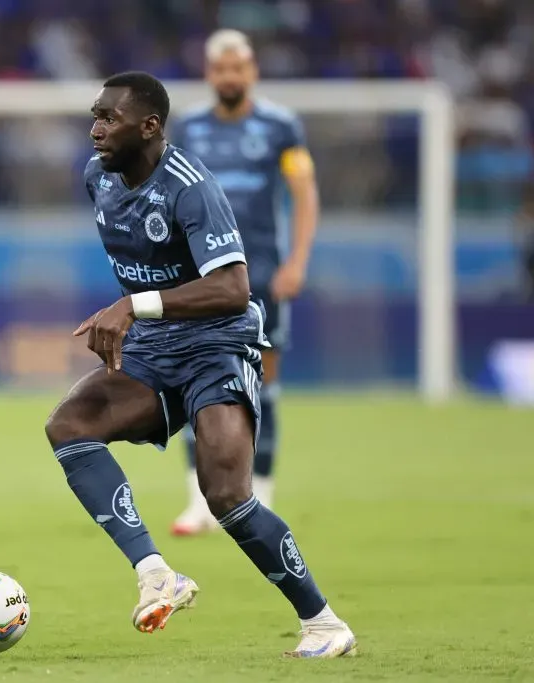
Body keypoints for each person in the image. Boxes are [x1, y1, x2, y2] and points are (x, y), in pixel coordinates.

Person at [44, 70, 355, 657]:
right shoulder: (99, 179)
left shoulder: (190, 187)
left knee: (226, 498)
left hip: (217, 347)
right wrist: (138, 317)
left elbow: (234, 288)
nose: (95, 130)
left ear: (150, 126)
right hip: (156, 352)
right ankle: (156, 574)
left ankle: (323, 622)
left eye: (108, 119)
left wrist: (133, 305)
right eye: (95, 116)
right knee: (69, 426)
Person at [171, 30, 320, 536]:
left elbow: (303, 194)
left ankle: (263, 498)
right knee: (195, 385)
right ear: (210, 74)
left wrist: (296, 260)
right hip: (204, 280)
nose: (230, 77)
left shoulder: (280, 126)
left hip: (263, 276)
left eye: (239, 68)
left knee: (265, 389)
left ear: (252, 71)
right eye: (221, 69)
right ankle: (198, 504)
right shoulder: (188, 127)